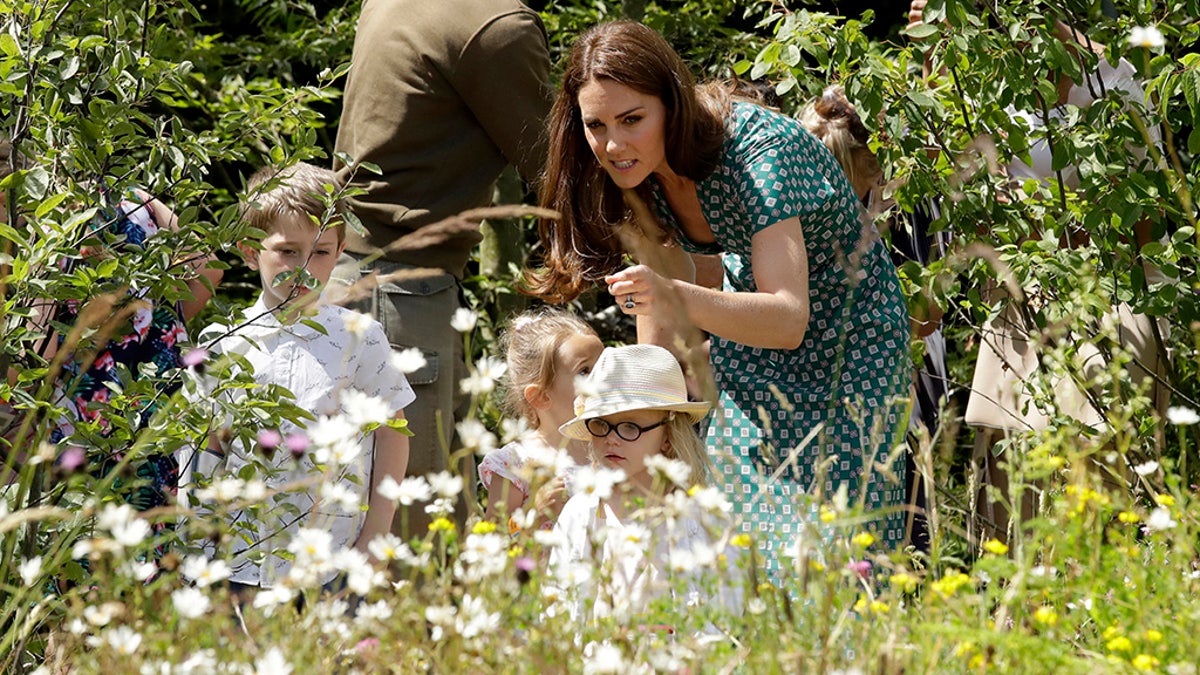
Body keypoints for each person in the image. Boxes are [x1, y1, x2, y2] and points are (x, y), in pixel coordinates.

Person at [526, 21, 913, 575]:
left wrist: (674, 296)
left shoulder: (762, 151)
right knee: (735, 540)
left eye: (632, 119)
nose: (613, 144)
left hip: (849, 350)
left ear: (672, 106)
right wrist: (644, 416)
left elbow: (787, 318)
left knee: (833, 552)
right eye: (596, 125)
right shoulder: (634, 171)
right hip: (746, 332)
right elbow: (659, 313)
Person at [330, 0, 553, 538]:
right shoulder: (497, 26)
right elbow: (560, 167)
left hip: (346, 278)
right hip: (403, 300)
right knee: (415, 534)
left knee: (352, 519)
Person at [187, 162, 414, 590]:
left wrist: (376, 535)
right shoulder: (222, 343)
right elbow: (207, 449)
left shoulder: (359, 336)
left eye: (321, 252)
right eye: (288, 251)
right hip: (241, 561)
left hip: (333, 558)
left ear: (340, 249)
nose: (304, 268)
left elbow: (392, 433)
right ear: (250, 249)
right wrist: (200, 544)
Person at [0, 137, 222, 507]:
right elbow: (207, 274)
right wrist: (151, 202)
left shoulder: (44, 245)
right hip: (153, 422)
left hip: (81, 447)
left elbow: (30, 366)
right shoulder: (122, 207)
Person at [800, 84, 950, 550]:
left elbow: (926, 317)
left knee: (903, 513)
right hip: (821, 380)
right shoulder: (804, 206)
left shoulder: (908, 213)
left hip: (900, 375)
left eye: (840, 172)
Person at [548, 344, 742, 624]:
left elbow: (724, 617)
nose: (611, 439)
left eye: (630, 427)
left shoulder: (703, 521)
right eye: (601, 424)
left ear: (667, 436)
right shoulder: (581, 513)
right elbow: (558, 607)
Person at [479, 308, 604, 525]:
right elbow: (492, 543)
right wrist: (534, 514)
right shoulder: (517, 463)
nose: (602, 377)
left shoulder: (611, 447)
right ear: (541, 397)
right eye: (584, 371)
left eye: (604, 366)